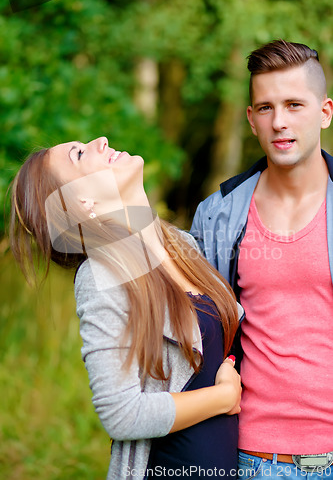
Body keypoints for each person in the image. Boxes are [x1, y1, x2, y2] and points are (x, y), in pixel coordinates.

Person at [10, 136, 243, 480]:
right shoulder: (101, 274)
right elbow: (121, 414)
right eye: (79, 153)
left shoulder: (184, 245)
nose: (100, 140)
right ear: (81, 203)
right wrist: (223, 397)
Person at [190, 39, 333, 480]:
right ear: (251, 120)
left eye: (294, 104)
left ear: (325, 112)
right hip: (251, 457)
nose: (280, 122)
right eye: (266, 108)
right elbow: (193, 331)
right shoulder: (217, 214)